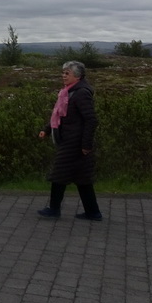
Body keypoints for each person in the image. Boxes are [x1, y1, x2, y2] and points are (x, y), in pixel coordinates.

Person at [36, 61, 102, 220]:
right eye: (63, 73)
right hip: (69, 140)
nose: (63, 76)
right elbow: (59, 116)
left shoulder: (81, 93)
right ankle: (93, 212)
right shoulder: (67, 92)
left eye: (67, 73)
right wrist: (46, 129)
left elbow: (91, 120)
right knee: (82, 177)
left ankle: (53, 209)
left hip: (74, 142)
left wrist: (86, 144)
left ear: (77, 76)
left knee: (59, 173)